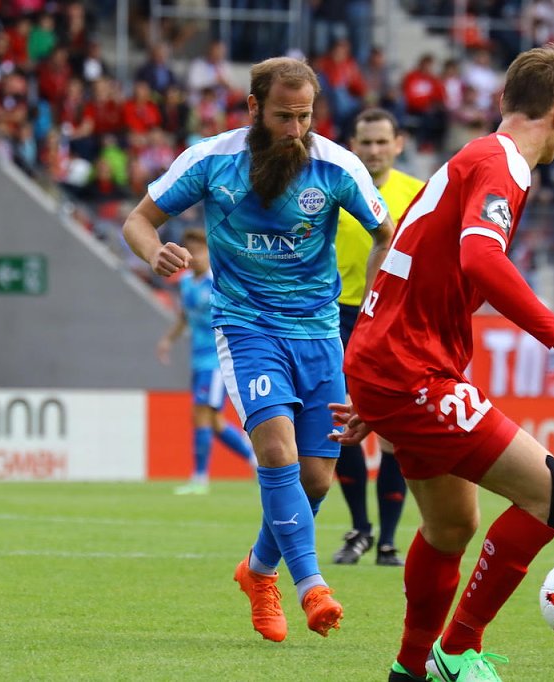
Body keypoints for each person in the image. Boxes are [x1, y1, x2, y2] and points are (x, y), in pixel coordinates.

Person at [331, 45, 554, 682]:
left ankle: (410, 669)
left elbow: (407, 264)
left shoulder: (471, 158)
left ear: (505, 100)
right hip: (408, 368)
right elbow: (480, 258)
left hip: (392, 363)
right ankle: (457, 651)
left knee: (451, 526)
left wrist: (378, 391)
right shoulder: (501, 163)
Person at [122, 56, 395, 642]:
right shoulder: (210, 160)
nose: (295, 130)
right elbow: (138, 220)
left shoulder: (336, 165)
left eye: (305, 117)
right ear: (253, 108)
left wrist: (372, 311)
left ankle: (258, 569)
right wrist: (154, 251)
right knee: (276, 450)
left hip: (319, 332)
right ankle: (310, 586)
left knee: (317, 479)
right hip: (246, 327)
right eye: (282, 117)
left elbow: (384, 234)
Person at [332, 108, 424, 568]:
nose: (374, 150)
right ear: (353, 145)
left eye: (382, 142)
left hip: (392, 318)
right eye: (366, 142)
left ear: (398, 144)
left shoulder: (418, 193)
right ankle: (360, 530)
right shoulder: (335, 188)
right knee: (341, 423)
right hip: (335, 315)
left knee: (390, 430)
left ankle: (387, 541)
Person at [156, 228, 258, 495]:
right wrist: (168, 340)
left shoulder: (218, 282)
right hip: (197, 359)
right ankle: (254, 458)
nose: (196, 255)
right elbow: (184, 316)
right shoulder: (186, 283)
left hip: (217, 359)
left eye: (200, 250)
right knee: (213, 421)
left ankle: (200, 478)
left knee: (202, 415)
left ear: (210, 252)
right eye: (191, 250)